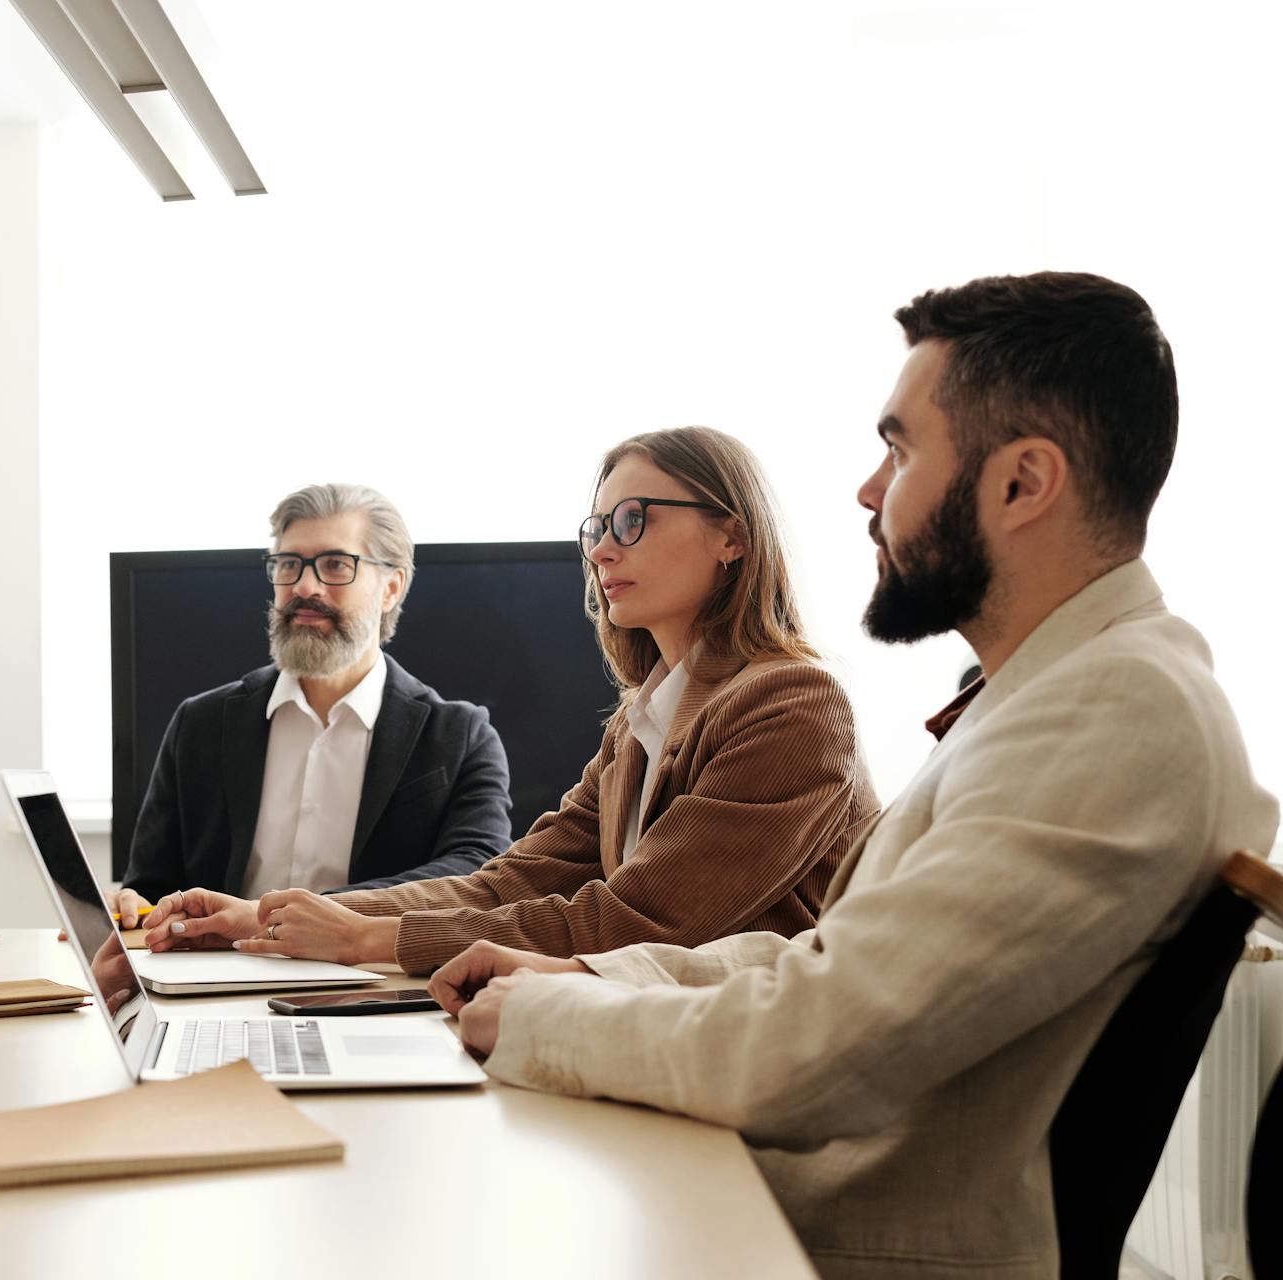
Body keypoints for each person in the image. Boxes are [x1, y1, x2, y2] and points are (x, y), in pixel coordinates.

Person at [431, 272, 1279, 1278]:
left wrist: (541, 1018)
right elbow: (830, 963)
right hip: (777, 1213)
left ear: (1023, 481)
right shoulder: (1053, 693)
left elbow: (810, 1045)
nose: (870, 491)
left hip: (831, 1248)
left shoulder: (1119, 712)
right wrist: (587, 975)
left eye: (900, 446)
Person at [143, 428, 880, 976]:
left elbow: (644, 921)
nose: (601, 550)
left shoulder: (794, 704)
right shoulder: (641, 720)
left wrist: (369, 939)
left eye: (633, 520)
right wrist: (269, 918)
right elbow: (513, 880)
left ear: (732, 536)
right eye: (597, 528)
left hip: (763, 1079)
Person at [109, 484, 513, 920]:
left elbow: (477, 874)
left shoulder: (461, 736)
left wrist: (284, 916)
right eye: (288, 564)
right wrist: (133, 906)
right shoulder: (200, 723)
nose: (304, 586)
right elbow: (151, 887)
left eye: (335, 564)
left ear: (391, 588)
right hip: (217, 974)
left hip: (375, 978)